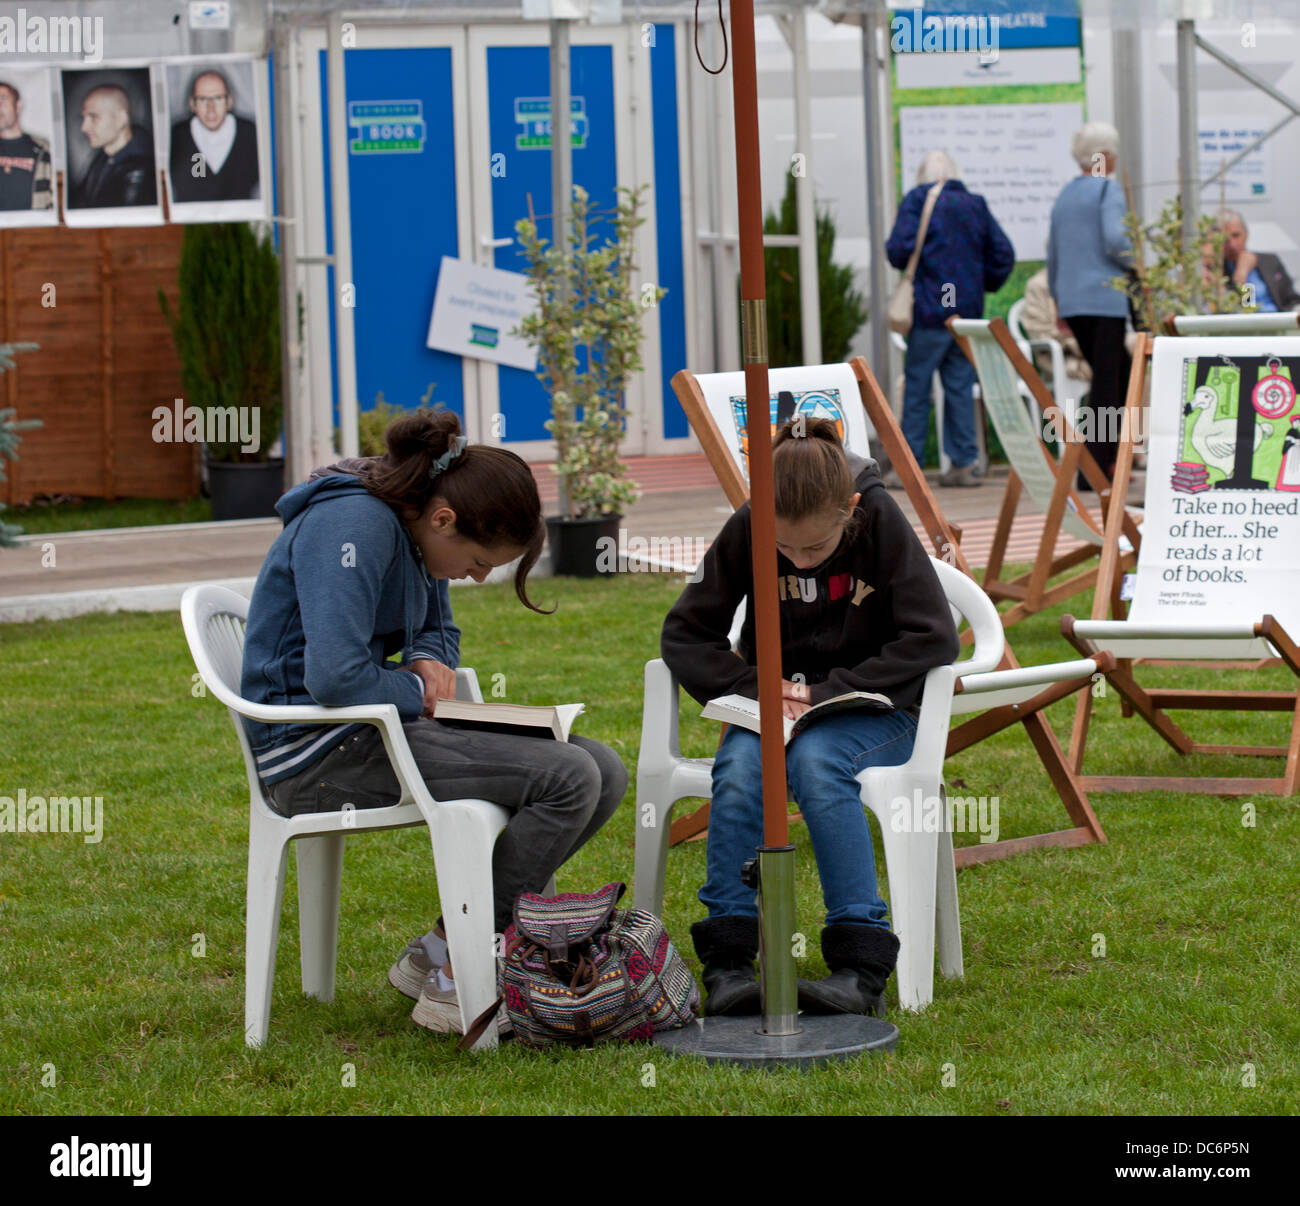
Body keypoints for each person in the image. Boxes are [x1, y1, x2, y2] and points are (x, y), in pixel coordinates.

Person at [239, 408, 627, 1035]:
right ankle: (463, 978)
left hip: (370, 730)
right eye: (476, 562)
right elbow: (334, 677)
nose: (474, 576)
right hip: (313, 755)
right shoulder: (353, 524)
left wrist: (427, 658)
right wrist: (416, 688)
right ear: (444, 519)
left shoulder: (414, 517)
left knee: (603, 769)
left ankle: (442, 952)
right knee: (570, 779)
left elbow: (438, 629)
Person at [660, 419, 959, 1017]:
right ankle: (728, 962)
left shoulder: (879, 516)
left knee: (820, 765)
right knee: (741, 771)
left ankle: (860, 963)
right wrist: (757, 686)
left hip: (880, 709)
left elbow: (932, 637)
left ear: (849, 510)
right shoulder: (750, 520)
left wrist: (832, 690)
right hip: (777, 706)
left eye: (814, 550)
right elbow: (685, 634)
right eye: (783, 550)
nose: (797, 560)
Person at [885, 150, 1015, 489]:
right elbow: (1003, 254)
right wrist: (979, 284)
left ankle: (909, 466)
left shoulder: (917, 200)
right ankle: (962, 464)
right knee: (958, 385)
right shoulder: (975, 204)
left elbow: (897, 249)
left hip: (930, 311)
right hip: (964, 313)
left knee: (917, 387)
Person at [1046, 122, 1132, 484]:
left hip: (1073, 303)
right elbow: (1117, 239)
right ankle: (1093, 471)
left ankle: (1107, 460)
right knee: (1107, 386)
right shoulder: (1107, 190)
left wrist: (1059, 302)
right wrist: (1138, 258)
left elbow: (1052, 252)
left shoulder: (1065, 194)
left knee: (1119, 374)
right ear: (1105, 156)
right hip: (1105, 299)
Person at [170, 69, 260, 203]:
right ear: (192, 104)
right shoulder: (178, 135)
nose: (210, 108)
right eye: (203, 99)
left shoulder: (250, 133)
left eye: (218, 98)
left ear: (228, 102)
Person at [69, 83, 156, 209]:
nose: (84, 127)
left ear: (121, 119)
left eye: (93, 117)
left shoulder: (141, 171)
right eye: (84, 118)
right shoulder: (103, 158)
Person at [1218, 209, 1300, 313]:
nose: (1232, 244)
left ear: (1246, 234)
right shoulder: (1219, 272)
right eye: (1226, 239)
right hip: (1252, 325)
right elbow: (1247, 308)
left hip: (1279, 321)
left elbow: (1291, 298)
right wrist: (1241, 275)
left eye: (1236, 235)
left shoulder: (1269, 261)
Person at [0, 81, 53, 211]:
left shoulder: (44, 149)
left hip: (33, 228)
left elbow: (56, 194)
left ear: (18, 105)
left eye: (3, 100)